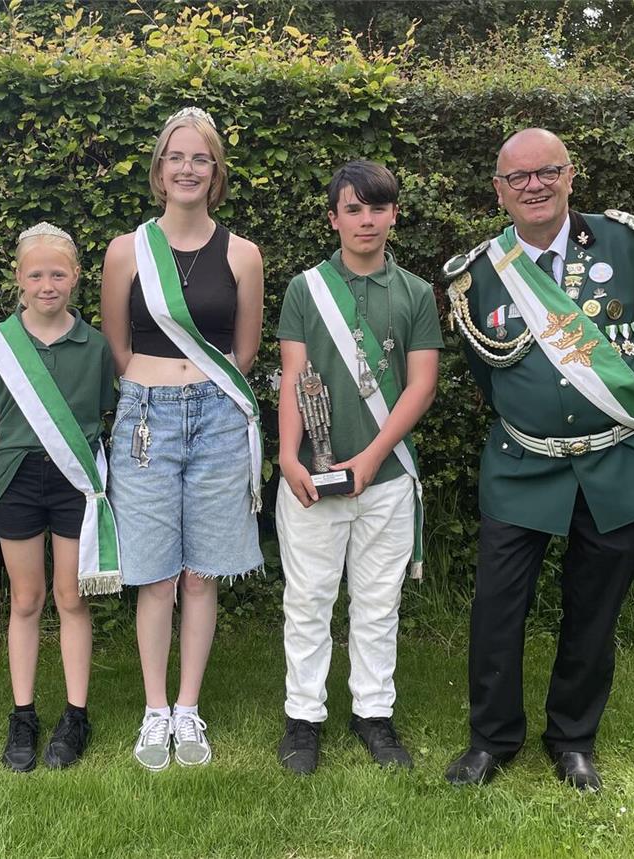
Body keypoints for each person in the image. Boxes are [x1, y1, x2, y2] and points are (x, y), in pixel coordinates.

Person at [443, 128, 634, 792]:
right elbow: (487, 376)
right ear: (499, 190)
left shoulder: (628, 245)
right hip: (524, 463)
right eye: (517, 177)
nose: (533, 186)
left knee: (593, 608)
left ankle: (573, 738)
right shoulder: (479, 273)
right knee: (497, 607)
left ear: (571, 176)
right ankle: (492, 738)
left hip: (616, 462)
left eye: (546, 172)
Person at [100, 107, 264, 770]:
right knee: (156, 574)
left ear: (215, 172)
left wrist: (200, 388)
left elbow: (244, 351)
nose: (188, 168)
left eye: (201, 158)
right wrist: (155, 386)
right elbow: (119, 342)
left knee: (200, 575)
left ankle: (189, 708)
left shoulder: (244, 254)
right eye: (177, 157)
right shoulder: (125, 250)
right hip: (146, 417)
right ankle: (154, 710)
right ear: (159, 171)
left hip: (220, 418)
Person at [274, 160, 441, 775]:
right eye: (353, 209)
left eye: (377, 208)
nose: (365, 220)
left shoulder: (417, 292)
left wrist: (372, 458)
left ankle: (373, 713)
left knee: (377, 602)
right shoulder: (304, 288)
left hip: (388, 475)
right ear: (333, 218)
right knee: (310, 599)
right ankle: (304, 717)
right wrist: (288, 456)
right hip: (310, 478)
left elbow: (421, 385)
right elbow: (293, 377)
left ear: (393, 214)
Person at [0, 223, 118, 772]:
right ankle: (24, 714)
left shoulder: (97, 346)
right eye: (36, 274)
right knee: (26, 599)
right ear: (20, 278)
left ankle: (75, 715)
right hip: (18, 479)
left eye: (58, 273)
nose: (47, 284)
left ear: (76, 278)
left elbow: (106, 408)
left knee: (71, 597)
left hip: (75, 481)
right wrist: (4, 453)